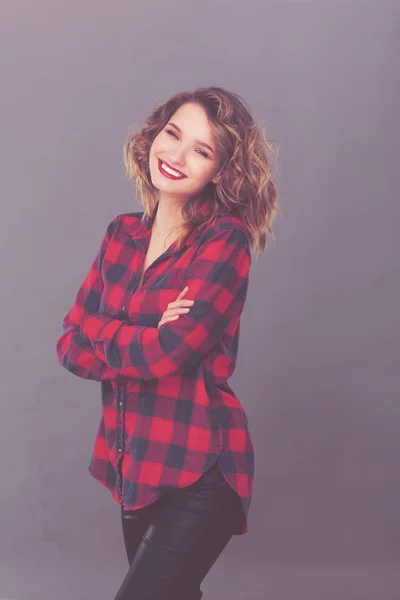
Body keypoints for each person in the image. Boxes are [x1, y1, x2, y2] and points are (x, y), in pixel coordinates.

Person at [56, 86, 280, 599]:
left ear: (221, 171)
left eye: (201, 150)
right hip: (133, 464)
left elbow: (170, 352)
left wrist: (107, 330)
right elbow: (69, 343)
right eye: (172, 135)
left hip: (200, 468)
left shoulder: (224, 241)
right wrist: (151, 322)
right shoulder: (120, 235)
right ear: (153, 136)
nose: (176, 156)